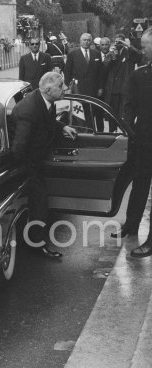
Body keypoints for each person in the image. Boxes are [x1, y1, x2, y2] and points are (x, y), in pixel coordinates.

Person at [10, 72, 78, 258]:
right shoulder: (28, 110)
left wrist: (61, 126)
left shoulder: (45, 101)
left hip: (36, 161)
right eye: (61, 85)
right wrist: (28, 172)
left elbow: (46, 121)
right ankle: (36, 244)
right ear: (48, 90)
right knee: (40, 202)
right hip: (26, 165)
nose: (65, 88)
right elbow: (19, 149)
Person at [110, 28, 152, 258]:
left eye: (146, 46)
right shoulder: (140, 75)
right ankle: (131, 225)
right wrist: (127, 130)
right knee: (139, 185)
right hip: (143, 141)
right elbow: (129, 105)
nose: (143, 50)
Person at [102, 34, 142, 123]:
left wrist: (127, 45)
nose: (118, 44)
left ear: (123, 42)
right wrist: (110, 57)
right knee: (112, 114)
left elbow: (139, 56)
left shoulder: (129, 53)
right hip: (113, 89)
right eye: (116, 42)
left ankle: (125, 133)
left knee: (125, 115)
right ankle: (112, 132)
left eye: (120, 42)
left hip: (125, 88)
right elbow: (104, 68)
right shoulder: (111, 53)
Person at [64, 33, 104, 98]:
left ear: (91, 42)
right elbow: (67, 72)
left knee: (92, 107)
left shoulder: (96, 54)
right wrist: (68, 87)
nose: (86, 42)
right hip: (78, 88)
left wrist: (100, 88)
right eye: (84, 40)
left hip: (93, 88)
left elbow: (100, 73)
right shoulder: (72, 54)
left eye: (88, 40)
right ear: (80, 41)